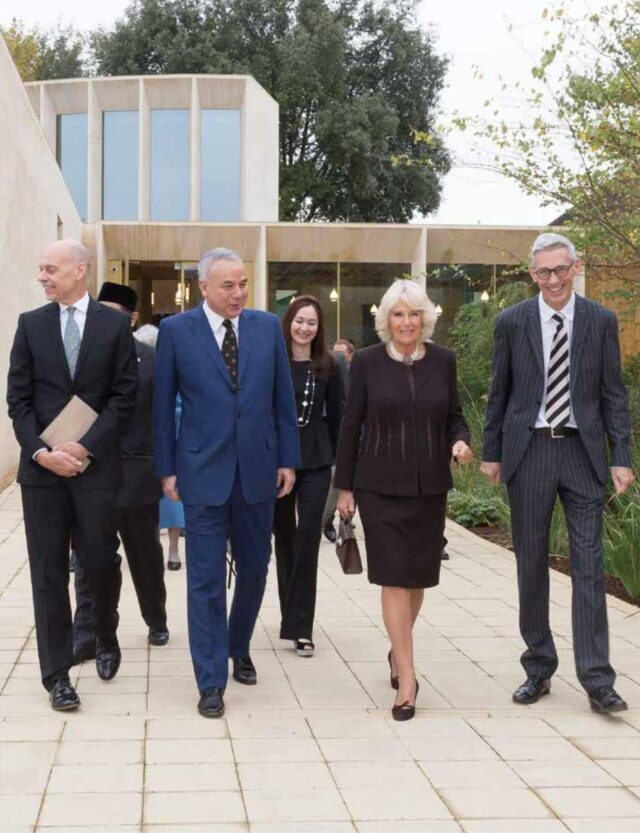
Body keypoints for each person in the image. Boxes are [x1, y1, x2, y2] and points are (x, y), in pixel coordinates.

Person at [481, 232, 635, 714]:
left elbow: (614, 392)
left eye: (560, 270)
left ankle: (597, 679)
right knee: (532, 564)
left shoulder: (600, 320)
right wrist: (491, 451)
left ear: (576, 267)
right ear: (532, 274)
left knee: (589, 569)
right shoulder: (512, 322)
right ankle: (538, 667)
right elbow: (499, 391)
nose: (552, 280)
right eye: (543, 272)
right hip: (529, 453)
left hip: (582, 454)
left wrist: (621, 455)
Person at [154, 247, 300, 718]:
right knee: (205, 580)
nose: (238, 293)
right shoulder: (176, 332)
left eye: (242, 284)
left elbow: (282, 400)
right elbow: (162, 407)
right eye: (227, 286)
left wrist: (288, 461)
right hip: (201, 472)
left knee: (256, 569)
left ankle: (238, 645)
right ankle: (211, 679)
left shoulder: (265, 328)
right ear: (203, 287)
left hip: (258, 472)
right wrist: (167, 468)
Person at [6, 240, 137, 711]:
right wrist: (42, 453)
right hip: (43, 474)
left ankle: (105, 633)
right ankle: (56, 674)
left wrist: (84, 446)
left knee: (100, 560)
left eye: (51, 269)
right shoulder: (30, 325)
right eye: (40, 269)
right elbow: (17, 401)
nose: (43, 276)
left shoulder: (114, 326)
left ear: (79, 271)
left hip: (95, 468)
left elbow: (124, 396)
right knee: (47, 571)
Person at [335, 279, 472, 720]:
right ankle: (408, 679)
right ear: (387, 320)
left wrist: (460, 442)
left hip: (430, 487)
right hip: (379, 486)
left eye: (414, 314)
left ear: (425, 319)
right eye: (398, 314)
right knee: (393, 577)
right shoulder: (368, 364)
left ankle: (397, 651)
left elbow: (454, 416)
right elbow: (351, 424)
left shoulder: (445, 361)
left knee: (417, 580)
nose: (407, 322)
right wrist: (346, 487)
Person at [72, 282, 169, 662]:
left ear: (130, 319)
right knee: (89, 557)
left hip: (138, 474)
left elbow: (163, 418)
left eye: (113, 313)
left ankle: (156, 618)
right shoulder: (82, 357)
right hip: (91, 472)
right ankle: (87, 633)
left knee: (144, 555)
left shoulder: (152, 359)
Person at [273, 296, 344, 657]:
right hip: (277, 461)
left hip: (316, 461)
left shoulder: (330, 365)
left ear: (319, 328)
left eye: (312, 323)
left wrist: (343, 469)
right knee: (283, 539)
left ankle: (302, 626)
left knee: (307, 538)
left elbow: (341, 417)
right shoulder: (273, 360)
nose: (304, 328)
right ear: (289, 322)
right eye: (300, 321)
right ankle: (290, 614)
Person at [322, 338, 354, 543]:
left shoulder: (337, 363)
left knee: (336, 479)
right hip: (309, 433)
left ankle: (331, 520)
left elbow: (345, 399)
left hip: (335, 431)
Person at [158, 396, 186, 570]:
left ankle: (173, 547)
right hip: (148, 437)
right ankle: (152, 548)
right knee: (150, 499)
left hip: (176, 432)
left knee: (171, 497)